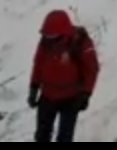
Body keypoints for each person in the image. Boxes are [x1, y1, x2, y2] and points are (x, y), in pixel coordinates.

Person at [28, 10, 98, 142]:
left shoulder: (80, 41)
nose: (48, 38)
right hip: (48, 96)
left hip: (71, 99)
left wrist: (85, 94)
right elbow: (38, 64)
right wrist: (34, 87)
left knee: (65, 138)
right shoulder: (45, 41)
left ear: (63, 32)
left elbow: (91, 69)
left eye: (52, 35)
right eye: (46, 35)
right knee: (41, 136)